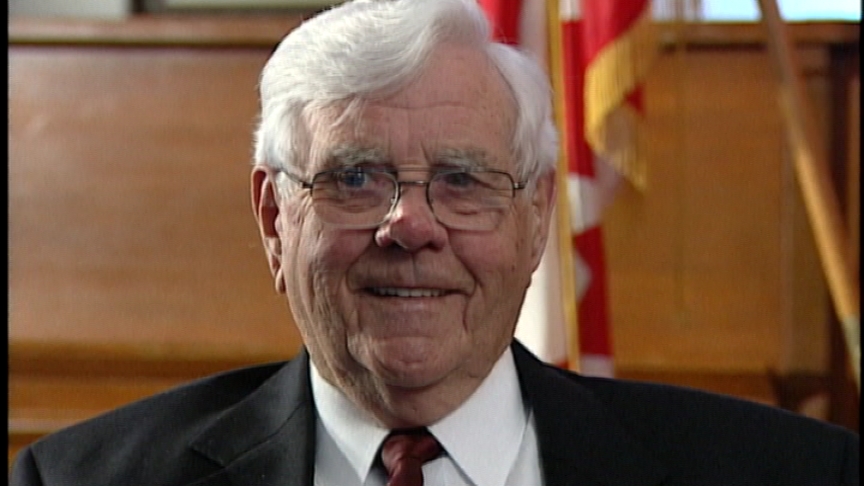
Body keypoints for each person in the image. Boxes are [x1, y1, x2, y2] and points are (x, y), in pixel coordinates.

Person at [10, 0, 858, 484]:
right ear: (274, 219)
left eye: (462, 180)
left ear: (536, 218)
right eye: (354, 179)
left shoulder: (794, 475)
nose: (410, 226)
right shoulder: (79, 481)